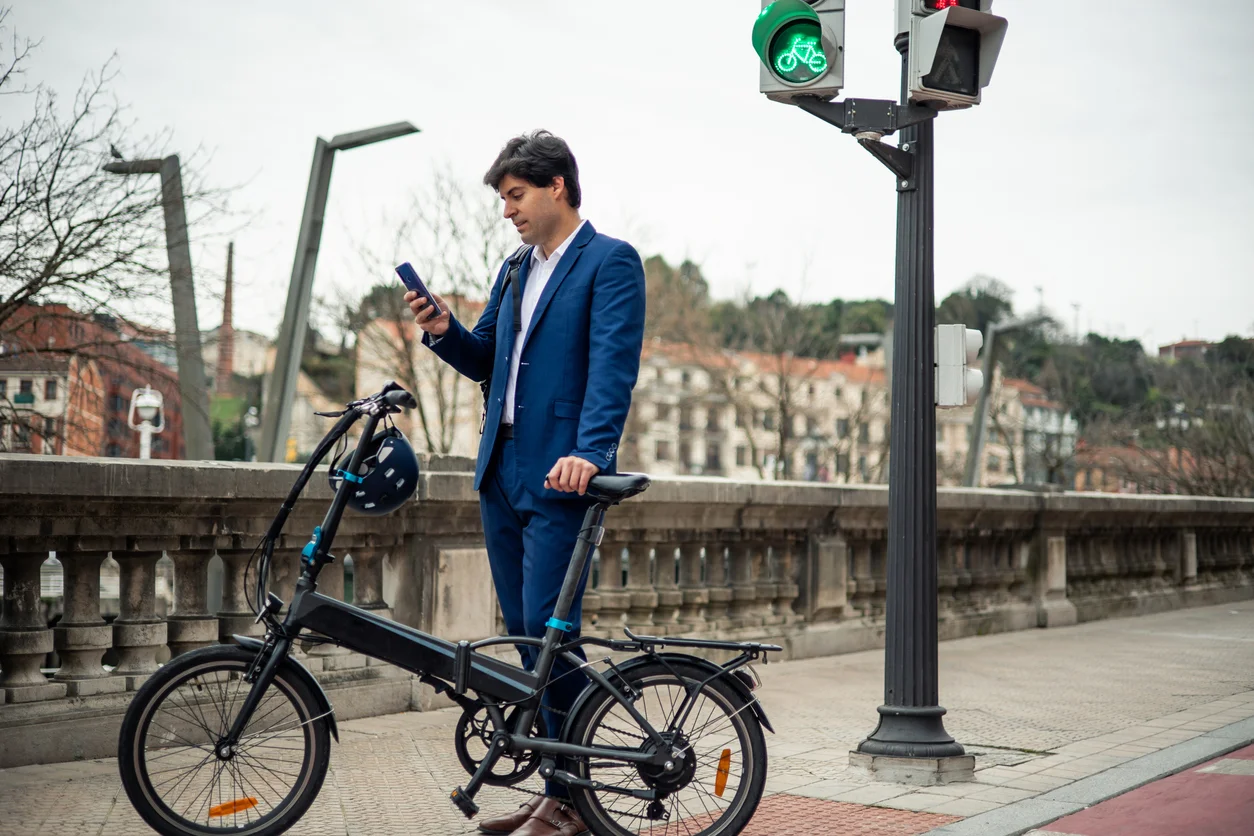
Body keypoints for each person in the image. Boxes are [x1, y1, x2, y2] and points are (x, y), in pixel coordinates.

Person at [406, 130, 646, 836]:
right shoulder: (514, 268)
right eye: (504, 199)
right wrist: (444, 328)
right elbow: (485, 359)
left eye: (515, 196)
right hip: (502, 469)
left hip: (562, 472)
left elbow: (612, 366)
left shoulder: (610, 262)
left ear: (557, 188)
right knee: (523, 637)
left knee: (549, 634)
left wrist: (591, 452)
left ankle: (571, 799)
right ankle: (556, 786)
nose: (507, 211)